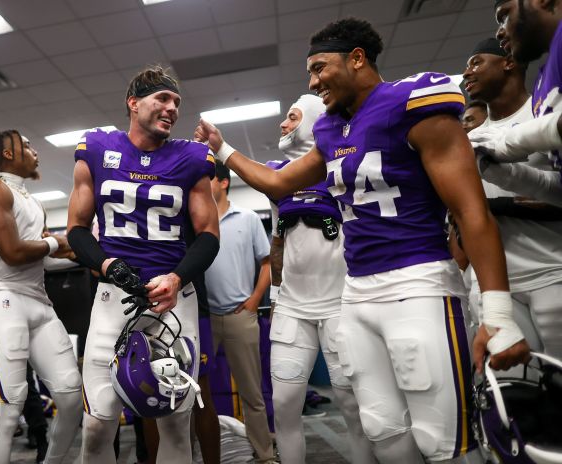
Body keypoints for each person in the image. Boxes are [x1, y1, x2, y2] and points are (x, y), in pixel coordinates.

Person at [194, 17, 530, 463]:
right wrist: (222, 149)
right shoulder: (333, 129)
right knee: (382, 429)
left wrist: (498, 312)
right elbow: (279, 184)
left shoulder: (412, 102)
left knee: (441, 438)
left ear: (356, 59)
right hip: (356, 294)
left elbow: (472, 212)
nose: (313, 82)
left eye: (319, 68)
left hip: (418, 282)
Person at [66, 65, 220, 464]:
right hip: (114, 297)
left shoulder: (192, 157)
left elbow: (208, 235)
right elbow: (78, 230)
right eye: (162, 99)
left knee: (174, 421)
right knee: (98, 421)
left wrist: (176, 277)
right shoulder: (97, 147)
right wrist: (108, 265)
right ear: (133, 103)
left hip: (174, 300)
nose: (171, 108)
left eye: (176, 102)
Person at [264, 95, 374, 464]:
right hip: (292, 306)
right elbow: (278, 239)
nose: (283, 125)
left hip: (340, 303)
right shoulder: (277, 176)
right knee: (284, 406)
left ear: (312, 121)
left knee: (353, 408)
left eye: (292, 117)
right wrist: (277, 292)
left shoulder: (341, 168)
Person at [0, 129, 82, 464]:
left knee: (72, 398)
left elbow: (40, 255)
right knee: (7, 409)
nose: (35, 151)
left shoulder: (33, 202)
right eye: (28, 145)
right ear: (7, 153)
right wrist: (58, 243)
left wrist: (72, 252)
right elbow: (13, 253)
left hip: (39, 301)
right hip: (3, 299)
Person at [462, 37, 562, 359]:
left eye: (476, 62)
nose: (467, 73)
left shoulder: (545, 117)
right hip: (499, 285)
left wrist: (501, 206)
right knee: (518, 398)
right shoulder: (470, 140)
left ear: (508, 62)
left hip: (553, 271)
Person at [203, 161, 275, 464]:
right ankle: (201, 455)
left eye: (206, 180)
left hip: (239, 316)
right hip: (203, 319)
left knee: (252, 394)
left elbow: (268, 262)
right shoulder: (196, 222)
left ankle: (265, 455)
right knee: (196, 396)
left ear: (222, 183)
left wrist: (254, 299)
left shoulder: (247, 218)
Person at [468, 0, 562, 206]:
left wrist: (510, 141)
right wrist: (502, 174)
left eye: (505, 16)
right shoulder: (542, 85)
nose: (500, 32)